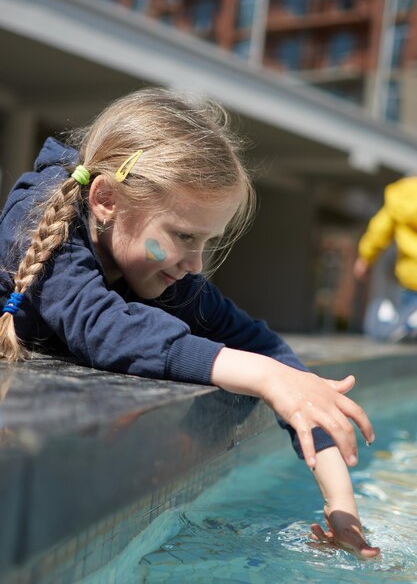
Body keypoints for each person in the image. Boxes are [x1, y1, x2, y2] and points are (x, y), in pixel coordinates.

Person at [0, 88, 379, 558]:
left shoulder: (168, 276)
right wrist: (264, 377)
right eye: (183, 236)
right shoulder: (36, 214)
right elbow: (104, 327)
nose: (196, 264)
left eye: (208, 242)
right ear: (106, 200)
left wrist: (342, 508)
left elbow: (273, 357)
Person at [354, 177, 417, 341]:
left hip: (411, 278)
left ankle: (408, 325)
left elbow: (378, 231)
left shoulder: (400, 196)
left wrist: (365, 258)